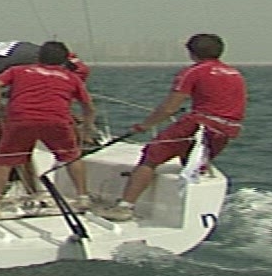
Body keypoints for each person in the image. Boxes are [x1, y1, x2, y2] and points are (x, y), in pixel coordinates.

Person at [96, 32, 244, 222]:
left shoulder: (193, 72)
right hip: (227, 129)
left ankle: (124, 207)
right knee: (189, 159)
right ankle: (193, 210)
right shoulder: (235, 74)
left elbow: (169, 108)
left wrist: (145, 126)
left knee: (151, 156)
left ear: (191, 52)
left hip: (199, 125)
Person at [0, 40, 100, 220]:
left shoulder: (18, 70)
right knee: (71, 157)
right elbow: (88, 107)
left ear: (38, 57)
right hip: (56, 121)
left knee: (4, 162)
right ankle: (83, 197)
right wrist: (87, 127)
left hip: (21, 120)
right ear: (64, 60)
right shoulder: (71, 77)